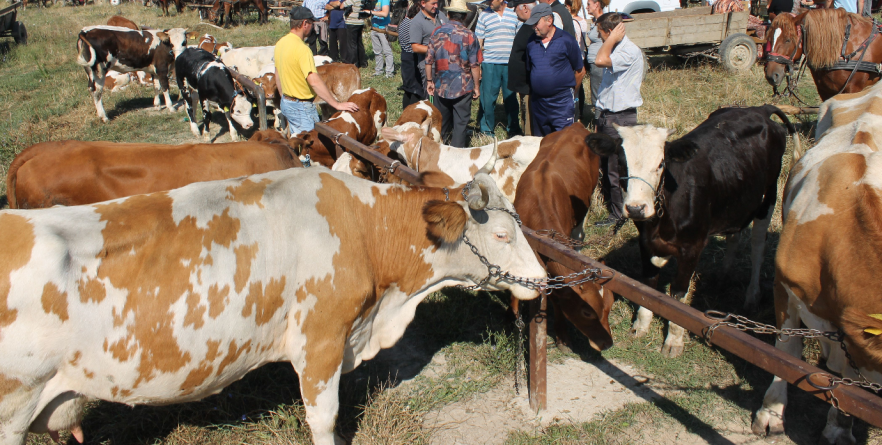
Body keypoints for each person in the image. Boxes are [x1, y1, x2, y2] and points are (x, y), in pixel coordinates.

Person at [275, 7, 359, 136]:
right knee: (310, 145)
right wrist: (336, 104)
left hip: (287, 102)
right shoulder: (302, 49)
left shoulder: (281, 43)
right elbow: (314, 81)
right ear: (304, 24)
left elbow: (278, 73)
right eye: (311, 24)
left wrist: (283, 97)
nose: (313, 27)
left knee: (297, 140)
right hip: (301, 106)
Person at [593, 12, 644, 226]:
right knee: (608, 164)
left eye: (601, 33)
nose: (599, 37)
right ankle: (615, 205)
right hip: (610, 116)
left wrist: (612, 39)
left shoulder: (628, 51)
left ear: (610, 31)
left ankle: (618, 214)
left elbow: (599, 60)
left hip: (620, 118)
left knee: (615, 168)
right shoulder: (617, 48)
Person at [425, 0, 482, 147]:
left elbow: (428, 60)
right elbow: (475, 65)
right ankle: (457, 154)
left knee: (441, 122)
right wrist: (476, 86)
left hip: (441, 84)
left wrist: (430, 81)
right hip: (463, 86)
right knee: (461, 125)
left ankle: (439, 150)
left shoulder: (436, 32)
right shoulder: (469, 35)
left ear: (448, 14)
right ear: (464, 17)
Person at [524, 3, 585, 136]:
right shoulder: (531, 42)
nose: (534, 27)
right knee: (542, 143)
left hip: (561, 103)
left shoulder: (567, 40)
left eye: (537, 23)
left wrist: (572, 93)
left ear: (549, 21)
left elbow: (580, 71)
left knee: (563, 141)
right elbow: (531, 70)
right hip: (539, 103)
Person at [475, 0, 521, 136]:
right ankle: (487, 130)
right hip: (489, 63)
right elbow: (478, 42)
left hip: (510, 64)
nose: (488, 2)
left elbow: (519, 39)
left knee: (511, 98)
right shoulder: (484, 15)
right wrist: (478, 65)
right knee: (488, 99)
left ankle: (513, 128)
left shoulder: (514, 14)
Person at [507, 0, 536, 135]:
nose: (514, 12)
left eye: (515, 9)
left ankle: (529, 144)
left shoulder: (534, 28)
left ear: (525, 8)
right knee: (525, 114)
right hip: (523, 85)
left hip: (528, 85)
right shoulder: (527, 26)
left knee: (529, 115)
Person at [410, 0, 448, 99]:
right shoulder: (417, 21)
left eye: (437, 3)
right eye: (433, 4)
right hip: (430, 67)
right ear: (423, 3)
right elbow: (415, 47)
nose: (436, 6)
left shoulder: (441, 15)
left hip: (445, 64)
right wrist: (436, 50)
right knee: (432, 99)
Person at [399, 1, 427, 108]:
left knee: (408, 89)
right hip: (412, 59)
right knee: (416, 90)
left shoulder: (404, 22)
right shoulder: (413, 25)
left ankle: (405, 111)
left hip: (405, 57)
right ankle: (412, 112)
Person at [583, 0, 606, 120]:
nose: (587, 7)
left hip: (599, 62)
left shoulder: (603, 21)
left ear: (596, 4)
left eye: (588, 4)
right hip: (595, 61)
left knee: (598, 94)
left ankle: (599, 123)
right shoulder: (596, 21)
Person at [567, 0, 588, 121]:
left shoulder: (572, 23)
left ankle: (575, 113)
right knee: (580, 87)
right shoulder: (583, 21)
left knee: (574, 87)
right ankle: (580, 113)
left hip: (574, 56)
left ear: (569, 6)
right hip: (582, 55)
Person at [368, 0, 394, 77]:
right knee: (377, 51)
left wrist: (370, 12)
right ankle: (379, 70)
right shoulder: (372, 1)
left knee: (387, 51)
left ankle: (389, 72)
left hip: (383, 28)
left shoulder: (384, 0)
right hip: (374, 28)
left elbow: (385, 13)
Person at [342, 0, 369, 67]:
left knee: (351, 43)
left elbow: (341, 6)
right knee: (359, 42)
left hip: (352, 22)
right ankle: (362, 62)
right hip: (360, 22)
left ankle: (353, 62)